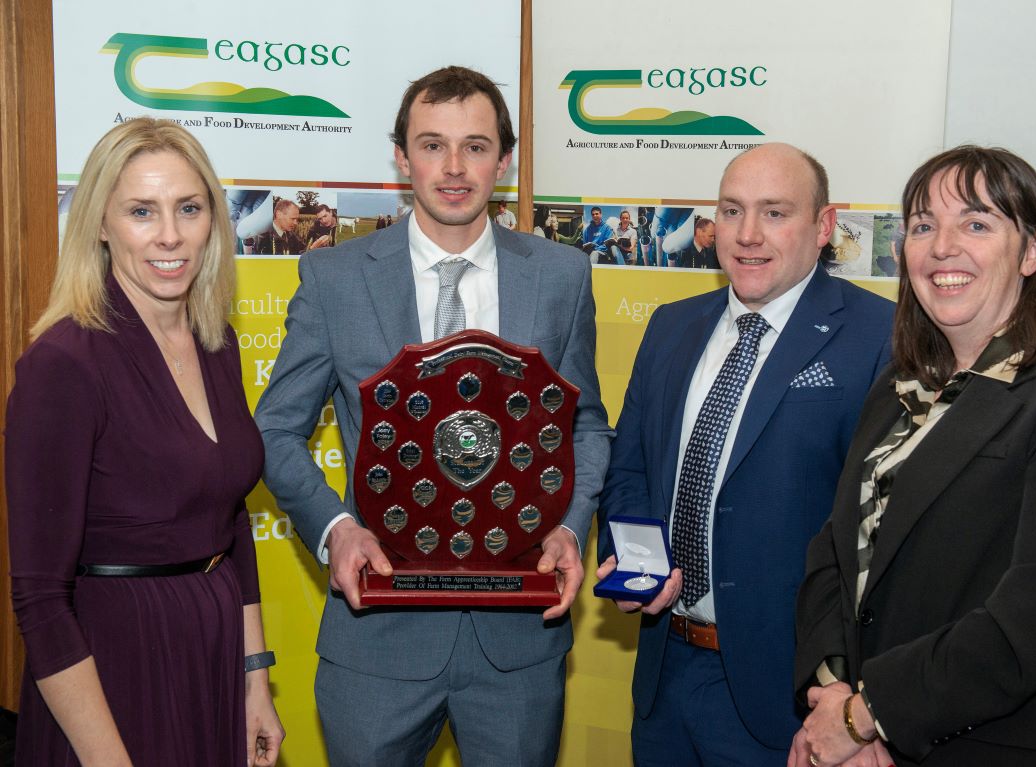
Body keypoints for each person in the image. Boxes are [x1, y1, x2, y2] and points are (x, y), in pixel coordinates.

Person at [254, 65, 612, 766]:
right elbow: (273, 428)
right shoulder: (334, 278)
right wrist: (337, 529)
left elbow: (586, 426)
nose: (454, 168)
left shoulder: (560, 276)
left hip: (518, 643)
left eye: (476, 146)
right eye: (432, 145)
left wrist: (570, 529)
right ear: (400, 157)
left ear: (503, 160)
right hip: (376, 636)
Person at [791, 146, 1036, 767]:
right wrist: (833, 695)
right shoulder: (900, 386)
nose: (942, 246)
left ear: (1033, 252)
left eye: (976, 224)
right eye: (924, 225)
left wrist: (867, 716)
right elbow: (834, 554)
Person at [597, 143, 894, 766]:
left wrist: (854, 701)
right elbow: (631, 468)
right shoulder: (671, 325)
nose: (748, 235)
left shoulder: (879, 336)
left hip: (791, 695)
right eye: (732, 212)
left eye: (775, 213)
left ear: (824, 226)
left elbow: (882, 531)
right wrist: (629, 564)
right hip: (664, 671)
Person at [5, 118, 284, 765]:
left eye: (189, 208)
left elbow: (228, 518)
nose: (170, 234)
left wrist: (255, 678)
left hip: (211, 659)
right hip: (112, 672)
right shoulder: (63, 365)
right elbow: (40, 600)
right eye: (141, 211)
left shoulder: (217, 342)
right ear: (100, 223)